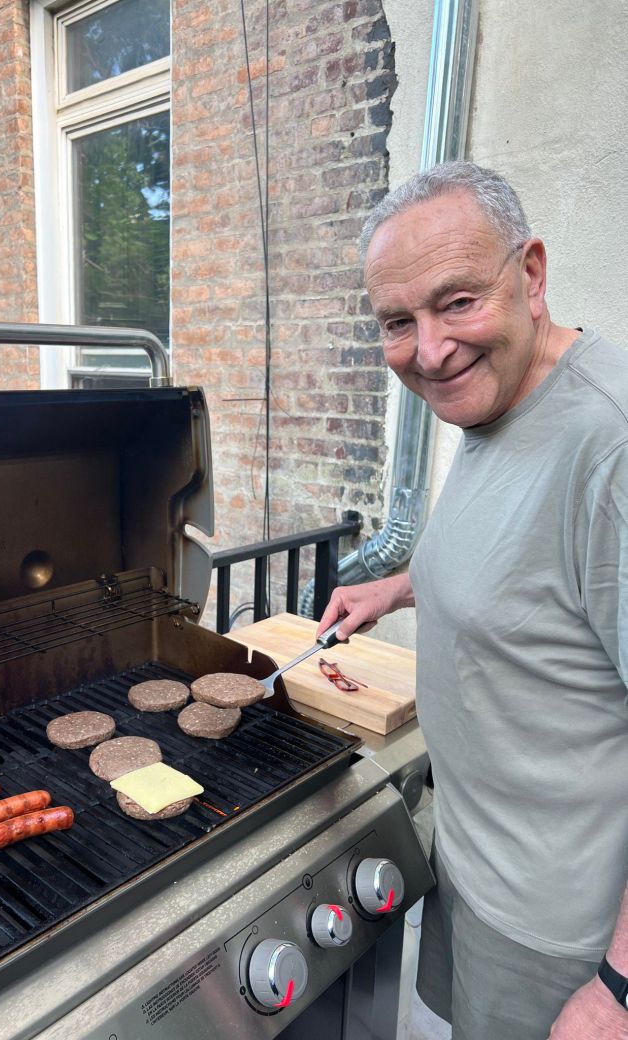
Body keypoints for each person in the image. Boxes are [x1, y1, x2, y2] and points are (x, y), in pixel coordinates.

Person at [317, 161, 628, 1040]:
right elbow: (534, 564)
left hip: (566, 941)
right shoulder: (494, 400)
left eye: (458, 303)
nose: (430, 350)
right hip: (481, 872)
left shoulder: (610, 445)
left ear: (530, 274)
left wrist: (617, 990)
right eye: (397, 323)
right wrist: (405, 585)